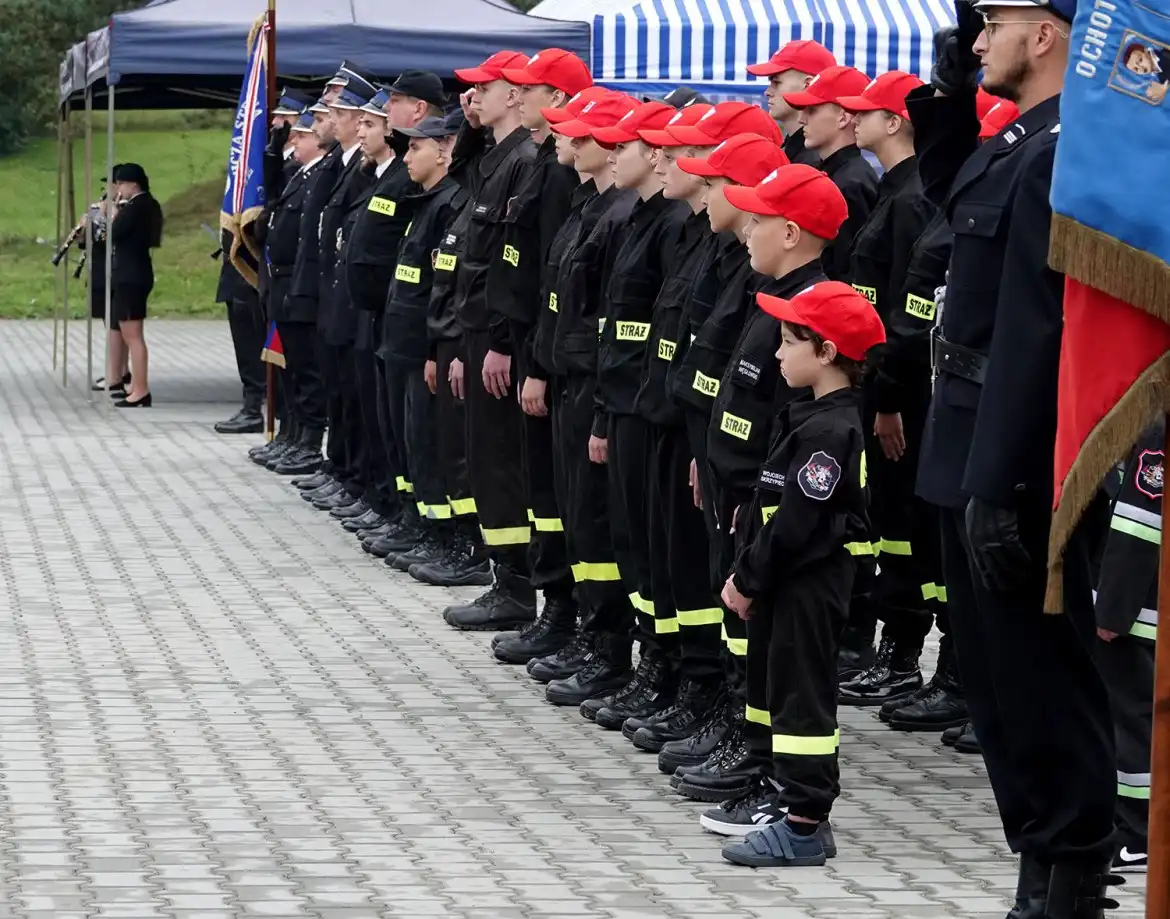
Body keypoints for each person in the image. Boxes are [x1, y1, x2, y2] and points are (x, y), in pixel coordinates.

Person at [911, 0, 1121, 911]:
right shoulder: (1016, 143)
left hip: (1019, 456)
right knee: (995, 687)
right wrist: (950, 93)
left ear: (1045, 36)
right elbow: (953, 193)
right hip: (969, 435)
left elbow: (1038, 337)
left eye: (992, 24)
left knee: (1041, 681)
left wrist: (1002, 480)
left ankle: (1071, 877)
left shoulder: (1067, 151)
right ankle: (1037, 865)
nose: (980, 37)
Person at [678, 164, 840, 809]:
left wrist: (754, 491)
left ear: (793, 233)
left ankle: (762, 759)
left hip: (763, 499)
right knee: (740, 627)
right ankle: (746, 735)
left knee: (761, 634)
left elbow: (788, 420)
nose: (748, 228)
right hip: (734, 483)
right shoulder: (770, 292)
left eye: (762, 219)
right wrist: (711, 458)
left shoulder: (812, 308)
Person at [719, 281, 884, 868]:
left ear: (828, 353)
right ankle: (795, 809)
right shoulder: (810, 416)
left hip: (808, 584)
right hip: (787, 580)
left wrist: (747, 580)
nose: (778, 353)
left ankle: (805, 825)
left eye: (790, 342)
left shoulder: (829, 432)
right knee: (783, 691)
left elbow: (795, 523)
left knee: (804, 700)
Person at [659, 133, 789, 780]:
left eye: (717, 185)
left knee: (746, 611)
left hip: (750, 478)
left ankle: (751, 742)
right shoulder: (727, 256)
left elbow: (775, 401)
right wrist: (709, 452)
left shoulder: (772, 282)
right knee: (721, 597)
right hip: (719, 460)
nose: (706, 195)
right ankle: (731, 718)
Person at [833, 72, 953, 717]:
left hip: (904, 399)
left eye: (865, 114)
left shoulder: (911, 200)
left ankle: (913, 658)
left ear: (896, 122)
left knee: (911, 531)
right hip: (890, 389)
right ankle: (901, 653)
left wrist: (886, 401)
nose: (854, 122)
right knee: (896, 533)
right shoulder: (895, 190)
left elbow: (906, 325)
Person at [524, 91, 643, 693]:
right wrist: (541, 364)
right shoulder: (585, 207)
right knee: (576, 515)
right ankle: (586, 631)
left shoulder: (619, 216)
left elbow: (609, 322)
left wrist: (596, 405)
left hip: (594, 385)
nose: (566, 142)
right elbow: (559, 303)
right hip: (570, 378)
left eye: (582, 135)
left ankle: (609, 647)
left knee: (597, 522)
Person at [441, 51, 542, 633]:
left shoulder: (525, 161)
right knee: (484, 457)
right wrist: (469, 128)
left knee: (502, 460)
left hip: (498, 333)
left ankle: (518, 586)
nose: (473, 96)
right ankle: (505, 577)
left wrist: (501, 340)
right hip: (476, 327)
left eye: (486, 88)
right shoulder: (495, 156)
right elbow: (461, 178)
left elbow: (514, 265)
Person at [363, 71, 452, 558]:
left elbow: (444, 285)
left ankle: (442, 537)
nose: (409, 154)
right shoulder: (422, 197)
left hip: (421, 341)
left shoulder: (445, 201)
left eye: (417, 148)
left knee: (427, 444)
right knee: (404, 438)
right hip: (397, 333)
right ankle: (413, 519)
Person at [214, 88, 310, 436]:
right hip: (244, 266)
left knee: (273, 346)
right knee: (245, 338)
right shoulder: (264, 157)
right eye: (274, 116)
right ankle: (252, 401)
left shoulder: (295, 163)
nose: (274, 122)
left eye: (285, 117)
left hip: (269, 267)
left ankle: (274, 412)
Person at [1096, 423, 1159, 876]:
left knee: (1132, 724)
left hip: (1141, 616)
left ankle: (1137, 835)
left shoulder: (1156, 431)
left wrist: (1112, 612)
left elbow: (1139, 526)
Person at [265, 108, 332, 477]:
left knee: (306, 368)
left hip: (298, 280)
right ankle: (293, 434)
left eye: (301, 135)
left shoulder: (319, 176)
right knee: (289, 366)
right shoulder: (300, 176)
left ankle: (308, 440)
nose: (295, 140)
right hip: (282, 280)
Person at [780, 65, 879, 282]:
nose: (801, 119)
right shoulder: (832, 174)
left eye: (812, 110)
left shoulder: (852, 183)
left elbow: (845, 270)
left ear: (843, 118)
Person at [108, 162, 163, 409]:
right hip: (137, 271)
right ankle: (136, 385)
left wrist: (113, 213)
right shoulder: (147, 204)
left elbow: (114, 232)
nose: (118, 188)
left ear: (133, 183)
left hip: (131, 274)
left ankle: (140, 389)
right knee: (131, 333)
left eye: (121, 183)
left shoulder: (135, 207)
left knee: (132, 335)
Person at [745, 40, 838, 165]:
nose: (767, 92)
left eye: (776, 82)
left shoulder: (811, 160)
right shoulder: (796, 150)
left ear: (808, 84)